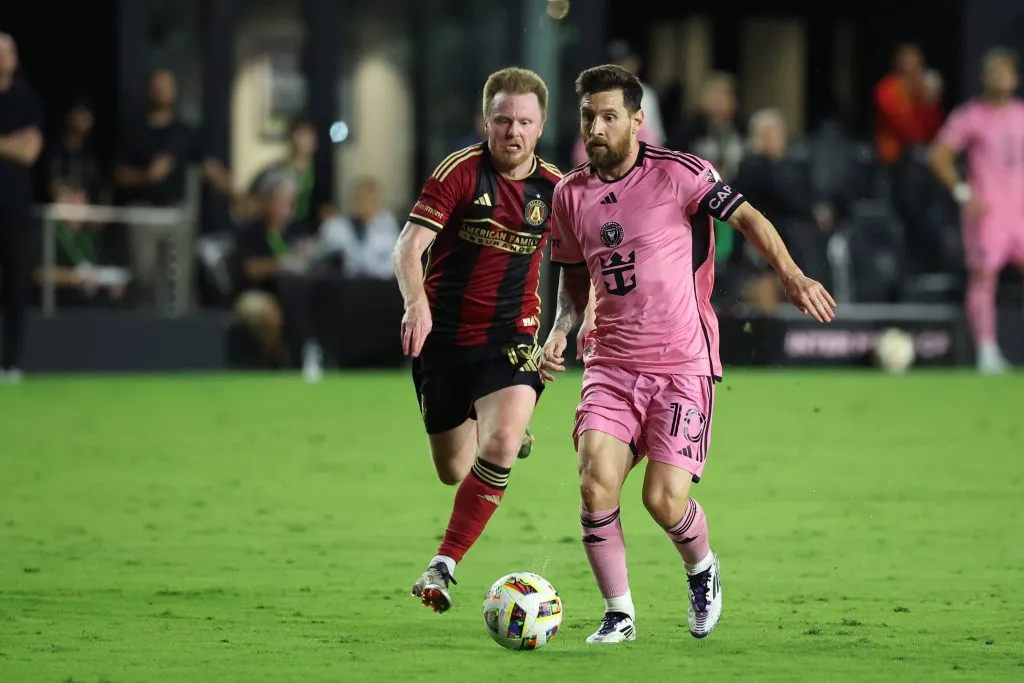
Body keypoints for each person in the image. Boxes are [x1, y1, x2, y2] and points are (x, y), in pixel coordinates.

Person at [541, 65, 836, 644]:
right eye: (587, 117)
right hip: (612, 364)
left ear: (635, 120)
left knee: (662, 497)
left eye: (608, 116)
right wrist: (564, 325)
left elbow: (748, 217)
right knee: (596, 480)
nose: (596, 128)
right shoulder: (569, 194)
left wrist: (793, 277)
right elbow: (573, 275)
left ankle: (702, 570)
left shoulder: (681, 173)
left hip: (681, 363)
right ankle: (618, 614)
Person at [392, 67, 562, 613]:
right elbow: (408, 247)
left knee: (500, 445)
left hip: (512, 336)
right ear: (486, 121)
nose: (514, 131)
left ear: (540, 127)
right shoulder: (460, 171)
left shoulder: (559, 190)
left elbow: (585, 266)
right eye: (503, 120)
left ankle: (443, 565)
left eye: (525, 122)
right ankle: (502, 427)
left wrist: (566, 326)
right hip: (444, 338)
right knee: (453, 471)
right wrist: (416, 302)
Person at [928, 48, 1024, 374]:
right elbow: (938, 155)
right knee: (984, 277)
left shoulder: (1022, 114)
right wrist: (962, 190)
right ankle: (986, 351)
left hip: (1021, 211)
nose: (1003, 77)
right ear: (984, 78)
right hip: (988, 213)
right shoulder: (971, 116)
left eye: (1008, 71)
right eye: (995, 71)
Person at [0, 33, 43, 384]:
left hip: (14, 205)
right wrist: (10, 144)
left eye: (6, 53)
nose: (2, 58)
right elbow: (18, 147)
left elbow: (29, 152)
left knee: (15, 282)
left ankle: (10, 363)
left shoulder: (26, 102)